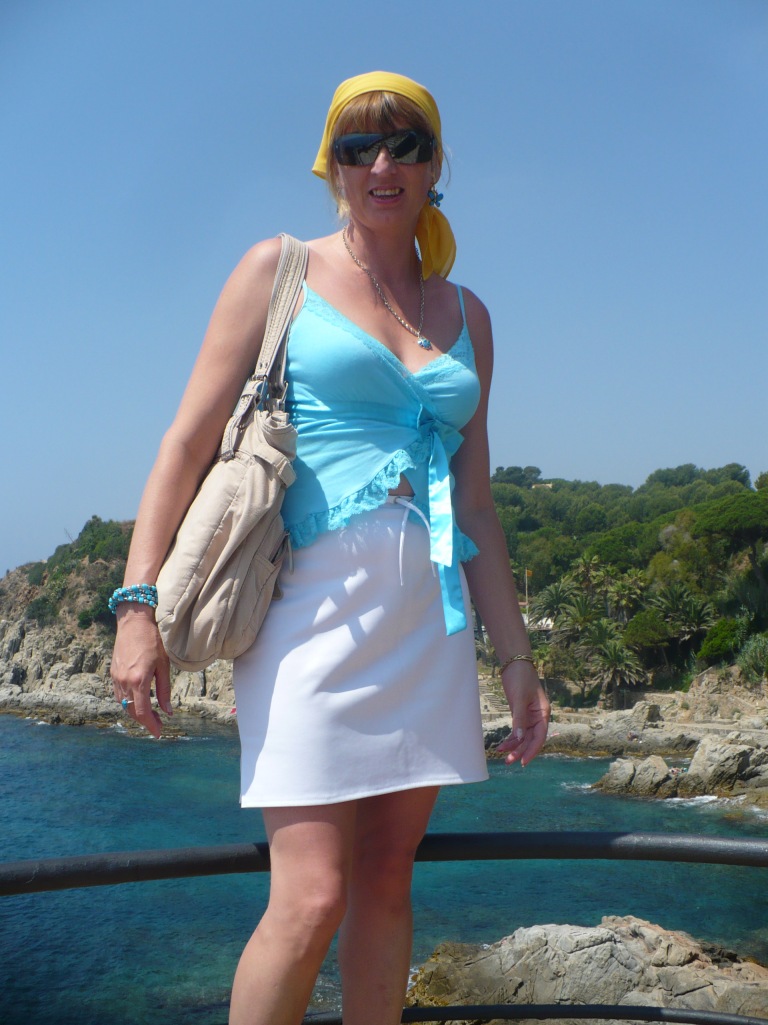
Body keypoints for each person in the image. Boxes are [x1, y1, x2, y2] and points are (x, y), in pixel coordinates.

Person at [110, 71, 550, 1025]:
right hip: (306, 614)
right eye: (359, 147)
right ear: (332, 166)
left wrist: (516, 659)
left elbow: (476, 504)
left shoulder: (468, 314)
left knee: (388, 880)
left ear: (435, 164)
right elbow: (184, 444)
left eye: (405, 145)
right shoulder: (279, 269)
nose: (382, 164)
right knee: (310, 897)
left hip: (426, 630)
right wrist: (137, 607)